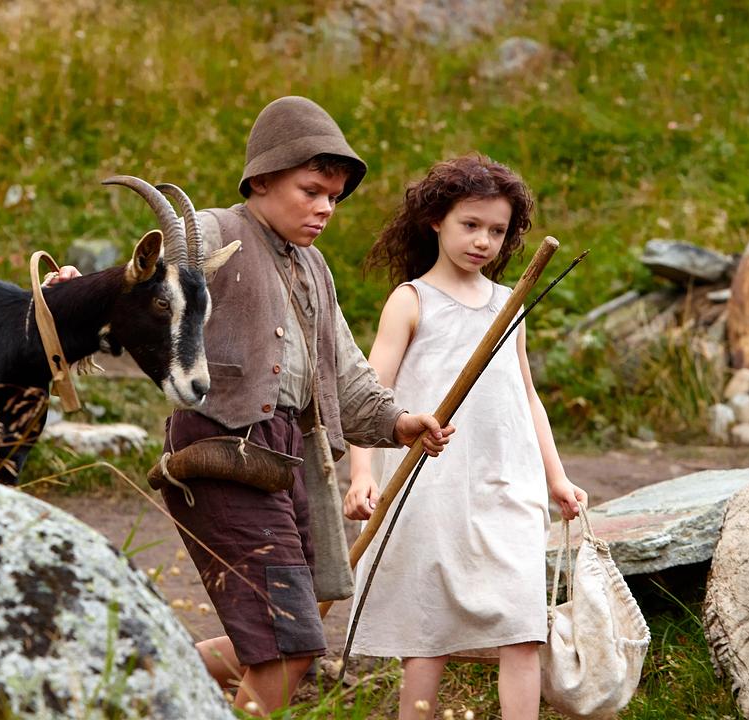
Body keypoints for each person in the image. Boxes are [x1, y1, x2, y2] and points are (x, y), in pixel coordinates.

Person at [156, 96, 456, 716]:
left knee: (291, 637)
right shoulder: (212, 232)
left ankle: (138, 671)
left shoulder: (314, 267)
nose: (324, 208)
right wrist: (80, 293)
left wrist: (398, 422)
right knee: (286, 644)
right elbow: (143, 290)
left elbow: (344, 371)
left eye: (334, 198)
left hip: (290, 459)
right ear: (262, 179)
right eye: (311, 191)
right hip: (222, 451)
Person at [342, 154, 587, 720]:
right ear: (436, 221)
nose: (483, 241)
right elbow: (369, 398)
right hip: (433, 488)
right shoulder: (412, 300)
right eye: (470, 225)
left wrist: (556, 477)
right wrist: (361, 474)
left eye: (497, 231)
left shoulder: (509, 303)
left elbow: (526, 396)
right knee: (427, 634)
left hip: (508, 485)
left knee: (522, 626)